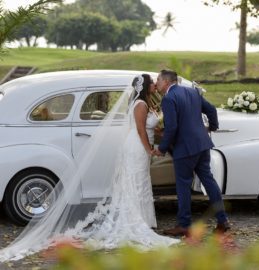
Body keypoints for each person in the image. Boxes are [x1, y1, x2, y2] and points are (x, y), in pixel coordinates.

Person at [0, 74, 179, 262]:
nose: (155, 84)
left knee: (139, 182)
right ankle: (138, 220)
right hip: (138, 147)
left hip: (137, 145)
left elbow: (146, 127)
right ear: (145, 86)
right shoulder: (141, 105)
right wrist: (149, 149)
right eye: (152, 82)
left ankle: (143, 219)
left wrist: (159, 132)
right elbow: (141, 130)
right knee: (136, 181)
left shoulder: (144, 103)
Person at [154, 69, 230, 237]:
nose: (156, 82)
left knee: (183, 186)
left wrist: (162, 148)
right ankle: (223, 220)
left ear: (166, 82)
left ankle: (184, 225)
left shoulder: (168, 98)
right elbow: (211, 109)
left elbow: (172, 127)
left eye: (158, 79)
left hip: (185, 149)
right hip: (202, 145)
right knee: (209, 181)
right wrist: (212, 127)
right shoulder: (192, 91)